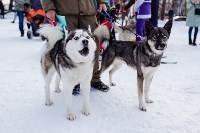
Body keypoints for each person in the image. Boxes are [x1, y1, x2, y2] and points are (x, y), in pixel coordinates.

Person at [40, 0, 110, 95]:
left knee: (92, 45)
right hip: (66, 11)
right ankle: (74, 81)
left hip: (88, 10)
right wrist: (49, 7)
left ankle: (94, 78)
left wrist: (102, 1)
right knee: (70, 47)